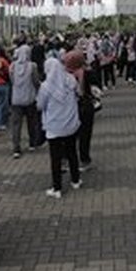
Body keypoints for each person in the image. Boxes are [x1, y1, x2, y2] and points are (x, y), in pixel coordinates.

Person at [37, 57, 81, 199]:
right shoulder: (71, 80)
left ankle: (57, 188)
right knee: (72, 152)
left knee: (55, 158)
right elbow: (78, 94)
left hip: (54, 126)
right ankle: (76, 180)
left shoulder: (46, 86)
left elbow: (40, 105)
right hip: (71, 123)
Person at [8, 43, 42, 159]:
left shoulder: (12, 66)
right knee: (32, 121)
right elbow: (36, 82)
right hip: (30, 97)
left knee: (16, 125)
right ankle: (32, 143)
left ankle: (16, 148)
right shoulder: (32, 66)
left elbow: (12, 81)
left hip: (16, 99)